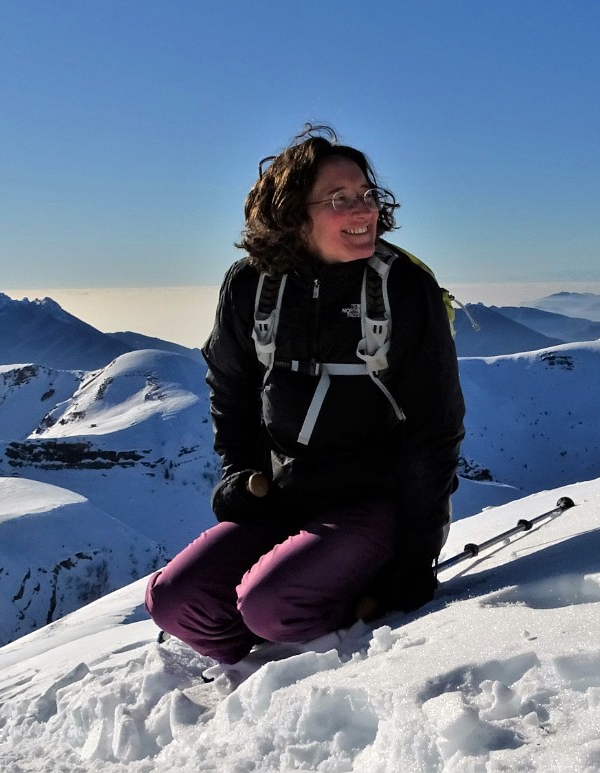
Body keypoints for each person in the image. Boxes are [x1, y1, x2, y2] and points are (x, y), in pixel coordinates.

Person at [145, 125, 465, 665]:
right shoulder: (251, 286)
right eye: (340, 199)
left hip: (373, 507)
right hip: (284, 496)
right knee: (175, 601)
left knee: (268, 603)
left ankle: (318, 649)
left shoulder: (402, 288)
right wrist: (238, 475)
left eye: (367, 195)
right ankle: (260, 664)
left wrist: (416, 557)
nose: (364, 209)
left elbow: (435, 428)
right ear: (293, 213)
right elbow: (232, 387)